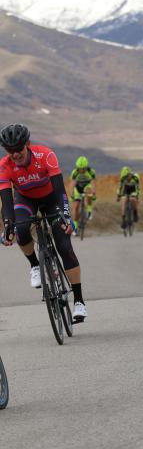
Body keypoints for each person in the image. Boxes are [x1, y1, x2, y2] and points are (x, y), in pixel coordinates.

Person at [0, 124, 87, 322]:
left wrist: (66, 215)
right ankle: (35, 265)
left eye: (19, 149)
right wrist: (7, 225)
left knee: (64, 246)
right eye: (10, 151)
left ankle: (79, 302)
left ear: (27, 144)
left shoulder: (45, 155)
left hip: (52, 199)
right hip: (25, 200)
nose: (15, 154)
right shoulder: (4, 166)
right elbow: (6, 201)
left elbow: (60, 190)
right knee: (20, 229)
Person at [70, 156, 96, 234]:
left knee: (88, 190)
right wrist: (71, 194)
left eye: (83, 168)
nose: (81, 170)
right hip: (77, 188)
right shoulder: (75, 172)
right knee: (76, 207)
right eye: (79, 168)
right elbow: (72, 184)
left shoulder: (91, 171)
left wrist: (93, 193)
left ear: (86, 167)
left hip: (87, 186)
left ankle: (89, 210)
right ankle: (75, 227)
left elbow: (93, 183)